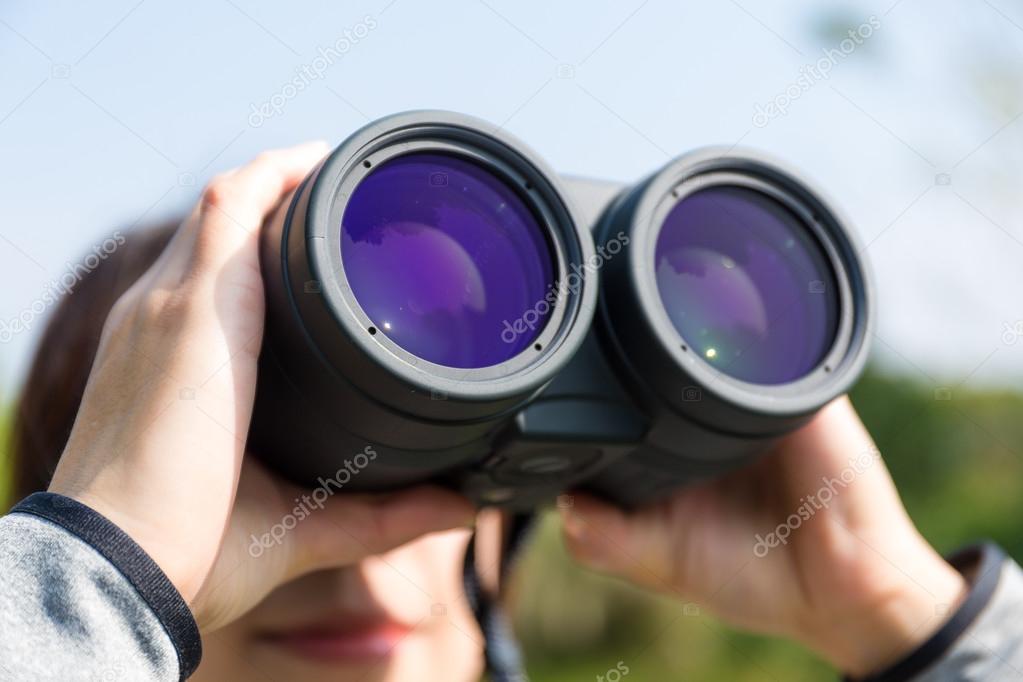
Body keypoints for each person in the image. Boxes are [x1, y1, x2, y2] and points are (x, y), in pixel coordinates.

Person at [1, 143, 1020, 681]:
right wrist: (102, 580)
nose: (353, 554)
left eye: (418, 445)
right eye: (262, 451)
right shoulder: (102, 576)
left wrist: (903, 617)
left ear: (500, 522)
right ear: (84, 488)